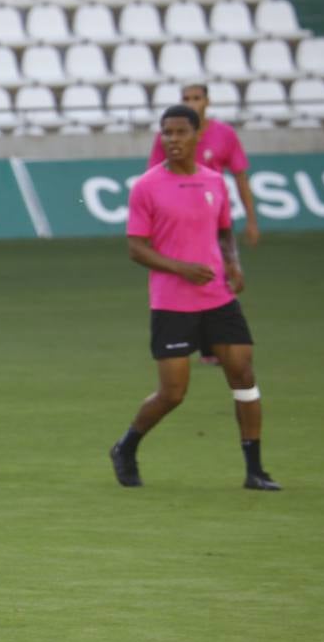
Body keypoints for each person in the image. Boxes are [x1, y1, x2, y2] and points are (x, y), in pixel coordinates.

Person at [110, 106, 279, 492]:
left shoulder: (214, 181)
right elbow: (136, 248)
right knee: (173, 393)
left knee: (244, 375)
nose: (172, 140)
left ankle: (255, 471)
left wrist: (234, 264)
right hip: (171, 302)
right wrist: (180, 268)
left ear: (197, 135)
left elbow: (224, 231)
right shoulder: (146, 186)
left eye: (180, 132)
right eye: (166, 133)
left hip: (218, 298)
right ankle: (125, 447)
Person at [147, 84, 259, 366]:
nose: (192, 103)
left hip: (211, 216)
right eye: (186, 98)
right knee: (181, 277)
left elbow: (241, 175)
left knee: (217, 275)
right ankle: (194, 340)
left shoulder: (224, 135)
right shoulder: (170, 135)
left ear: (207, 101)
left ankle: (213, 343)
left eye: (196, 98)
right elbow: (152, 175)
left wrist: (252, 219)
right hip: (178, 219)